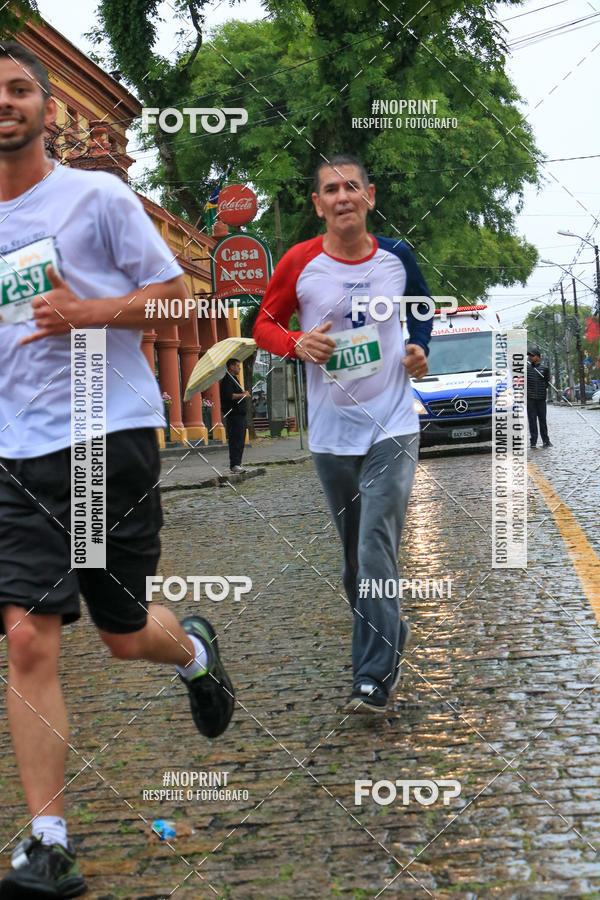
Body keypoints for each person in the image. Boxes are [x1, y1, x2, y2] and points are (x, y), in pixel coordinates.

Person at [0, 42, 234, 898]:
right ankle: (48, 844)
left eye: (21, 89)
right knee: (27, 636)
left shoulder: (96, 197)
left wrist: (91, 311)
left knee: (122, 631)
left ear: (45, 103)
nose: (7, 103)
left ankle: (192, 652)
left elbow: (182, 297)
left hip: (103, 435)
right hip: (14, 450)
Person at [253, 154, 432, 714]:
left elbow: (421, 308)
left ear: (370, 196)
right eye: (331, 189)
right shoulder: (299, 263)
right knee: (355, 561)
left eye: (352, 187)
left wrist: (420, 345)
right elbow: (260, 325)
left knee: (375, 543)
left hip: (393, 424)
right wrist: (296, 343)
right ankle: (389, 631)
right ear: (318, 204)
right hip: (331, 435)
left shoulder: (397, 256)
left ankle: (373, 679)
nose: (342, 197)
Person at [219, 358, 250, 473]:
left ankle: (238, 463)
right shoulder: (227, 380)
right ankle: (234, 464)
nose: (239, 368)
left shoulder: (235, 379)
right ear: (231, 367)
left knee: (241, 440)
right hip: (234, 415)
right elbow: (230, 396)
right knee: (235, 440)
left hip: (241, 415)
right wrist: (243, 394)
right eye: (237, 366)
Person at [527, 346, 552, 448]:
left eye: (532, 356)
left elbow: (547, 383)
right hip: (530, 400)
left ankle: (546, 441)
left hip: (541, 399)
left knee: (542, 420)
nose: (530, 357)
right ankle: (533, 442)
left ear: (537, 357)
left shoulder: (545, 369)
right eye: (529, 356)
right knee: (532, 421)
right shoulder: (526, 369)